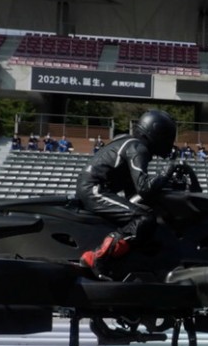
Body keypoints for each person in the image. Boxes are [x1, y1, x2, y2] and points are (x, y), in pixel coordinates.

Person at [76, 109, 179, 280]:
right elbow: (144, 188)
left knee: (145, 214)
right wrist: (166, 172)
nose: (168, 142)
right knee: (143, 219)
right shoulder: (138, 148)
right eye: (167, 136)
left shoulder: (129, 142)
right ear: (156, 132)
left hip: (93, 187)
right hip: (95, 189)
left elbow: (136, 192)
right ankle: (97, 258)